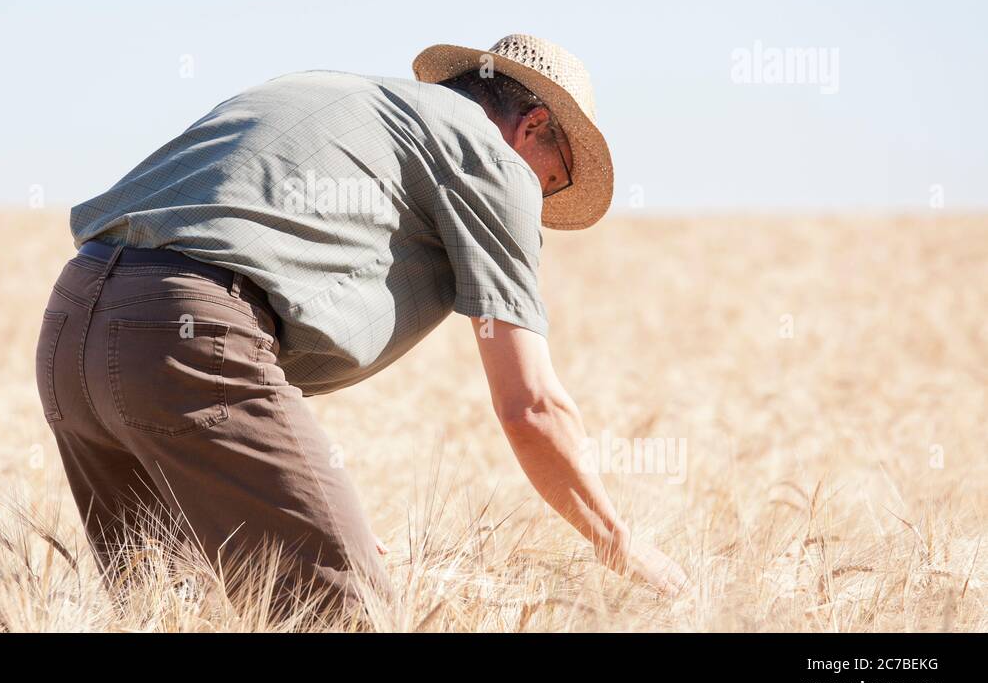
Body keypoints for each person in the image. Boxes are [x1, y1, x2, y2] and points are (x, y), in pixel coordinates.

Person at [34, 32, 688, 622]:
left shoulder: (324, 92)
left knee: (173, 613)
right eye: (554, 182)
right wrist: (620, 544)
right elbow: (531, 406)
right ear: (534, 126)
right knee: (351, 617)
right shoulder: (491, 157)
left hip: (71, 334)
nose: (538, 206)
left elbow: (255, 267)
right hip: (188, 345)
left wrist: (307, 490)